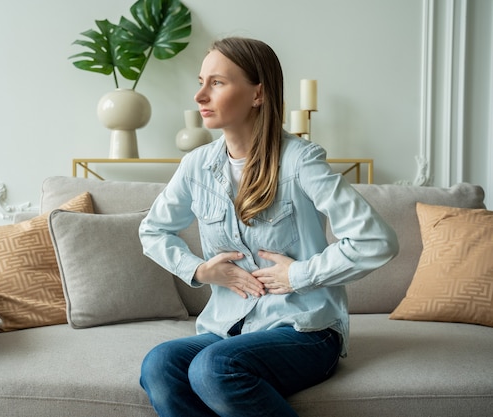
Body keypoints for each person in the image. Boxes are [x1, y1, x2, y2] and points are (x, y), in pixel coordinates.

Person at [138, 37, 399, 417]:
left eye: (217, 83)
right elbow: (153, 230)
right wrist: (198, 269)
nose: (199, 96)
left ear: (257, 94)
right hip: (228, 328)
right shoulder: (196, 166)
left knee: (214, 368)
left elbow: (376, 240)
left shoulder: (300, 161)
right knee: (160, 365)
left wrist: (300, 275)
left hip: (305, 330)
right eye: (201, 81)